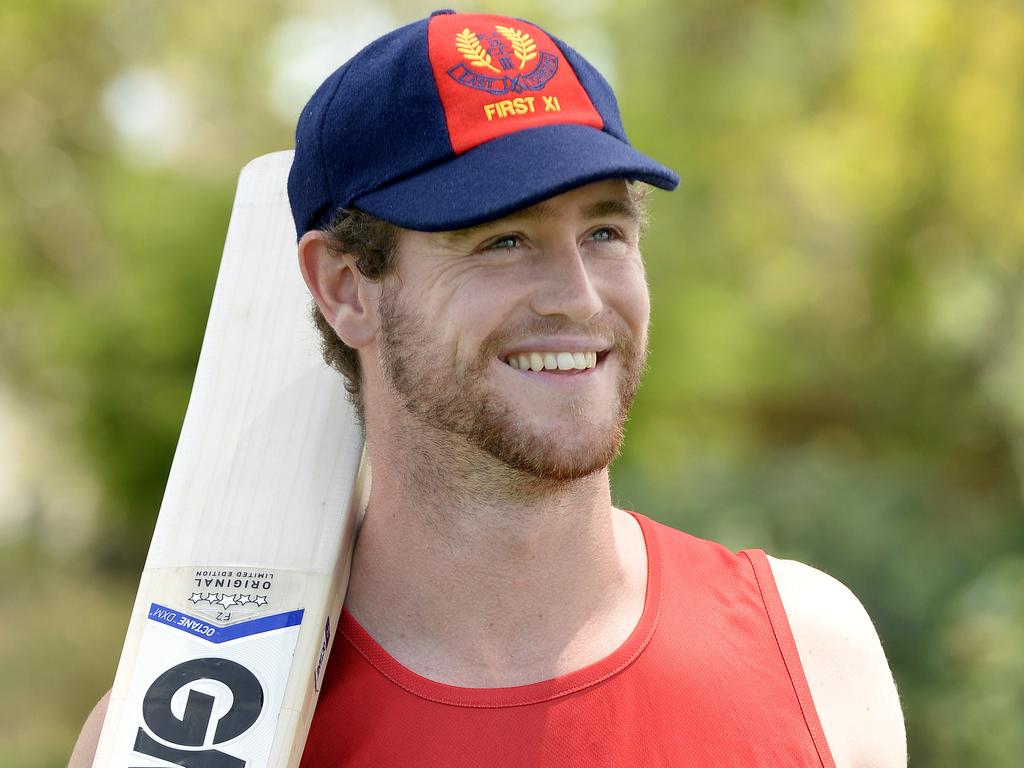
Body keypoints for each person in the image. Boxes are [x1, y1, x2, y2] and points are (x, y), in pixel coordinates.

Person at [72, 10, 906, 767]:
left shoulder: (813, 660)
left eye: (605, 231)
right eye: (503, 240)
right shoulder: (180, 734)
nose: (579, 298)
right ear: (346, 288)